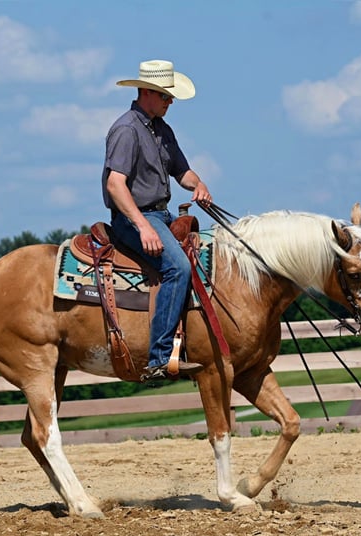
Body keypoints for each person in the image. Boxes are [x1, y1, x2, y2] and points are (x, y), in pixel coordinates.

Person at [102, 59, 212, 383]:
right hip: (132, 218)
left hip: (159, 215)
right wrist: (144, 226)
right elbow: (115, 184)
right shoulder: (126, 130)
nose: (171, 102)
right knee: (178, 267)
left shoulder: (162, 130)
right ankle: (159, 357)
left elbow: (183, 172)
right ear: (147, 93)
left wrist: (199, 184)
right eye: (166, 96)